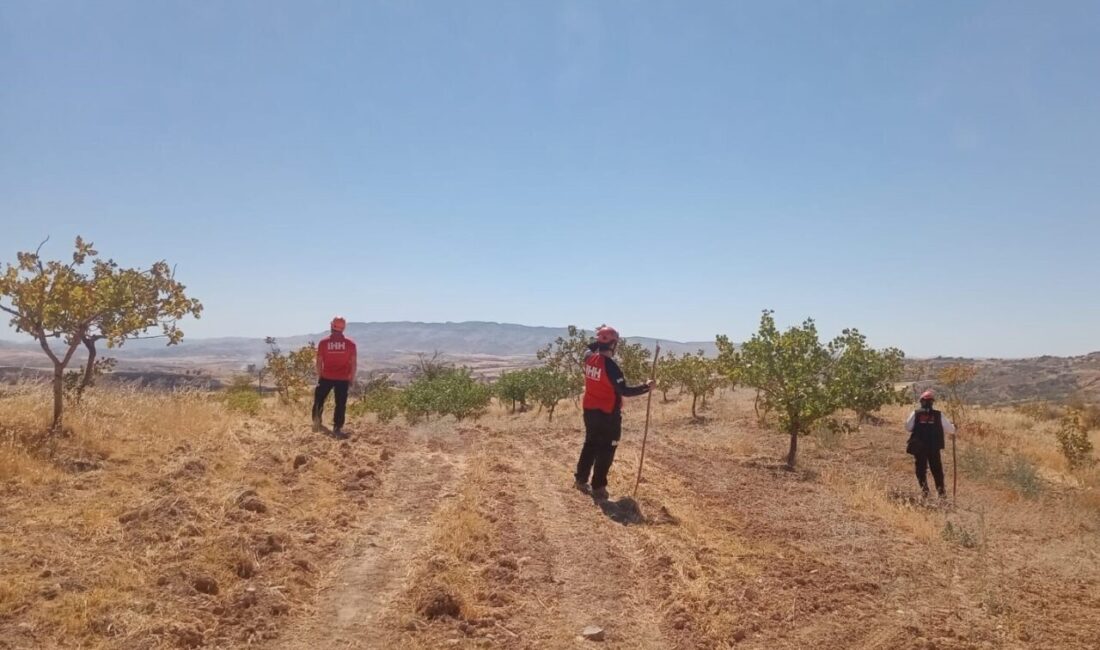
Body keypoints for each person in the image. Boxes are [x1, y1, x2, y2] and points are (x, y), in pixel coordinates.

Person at [574, 325, 654, 500]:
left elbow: (589, 348)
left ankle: (580, 480)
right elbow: (624, 390)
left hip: (589, 410)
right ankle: (598, 487)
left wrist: (601, 338)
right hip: (607, 413)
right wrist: (647, 387)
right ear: (614, 344)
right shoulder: (611, 366)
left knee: (590, 443)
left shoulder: (588, 358)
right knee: (607, 449)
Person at [312, 316, 357, 439]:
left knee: (319, 400)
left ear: (332, 326)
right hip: (343, 379)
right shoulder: (351, 344)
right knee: (340, 404)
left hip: (326, 377)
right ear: (343, 328)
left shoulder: (323, 342)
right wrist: (351, 379)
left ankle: (316, 422)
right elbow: (353, 364)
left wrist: (320, 376)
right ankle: (337, 428)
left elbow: (319, 362)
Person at [905, 390, 956, 498]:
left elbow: (908, 428)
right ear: (932, 402)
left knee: (920, 470)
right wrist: (954, 426)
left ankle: (925, 492)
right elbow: (950, 430)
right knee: (937, 470)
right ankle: (941, 493)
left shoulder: (916, 413)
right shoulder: (939, 415)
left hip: (919, 447)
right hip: (934, 447)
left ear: (921, 401)